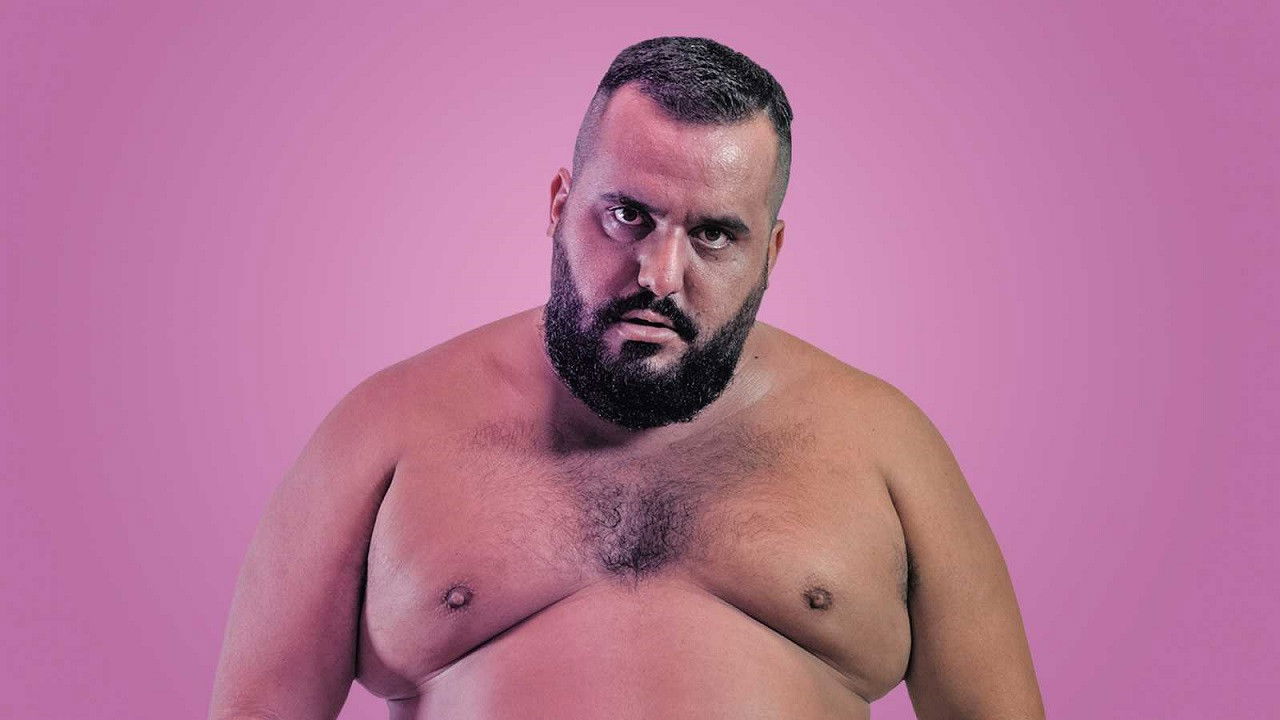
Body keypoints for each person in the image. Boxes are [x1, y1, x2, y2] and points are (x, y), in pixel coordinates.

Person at [209, 36, 1044, 720]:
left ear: (771, 253)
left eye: (714, 235)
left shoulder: (884, 443)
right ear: (559, 203)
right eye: (627, 215)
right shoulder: (386, 427)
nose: (659, 274)